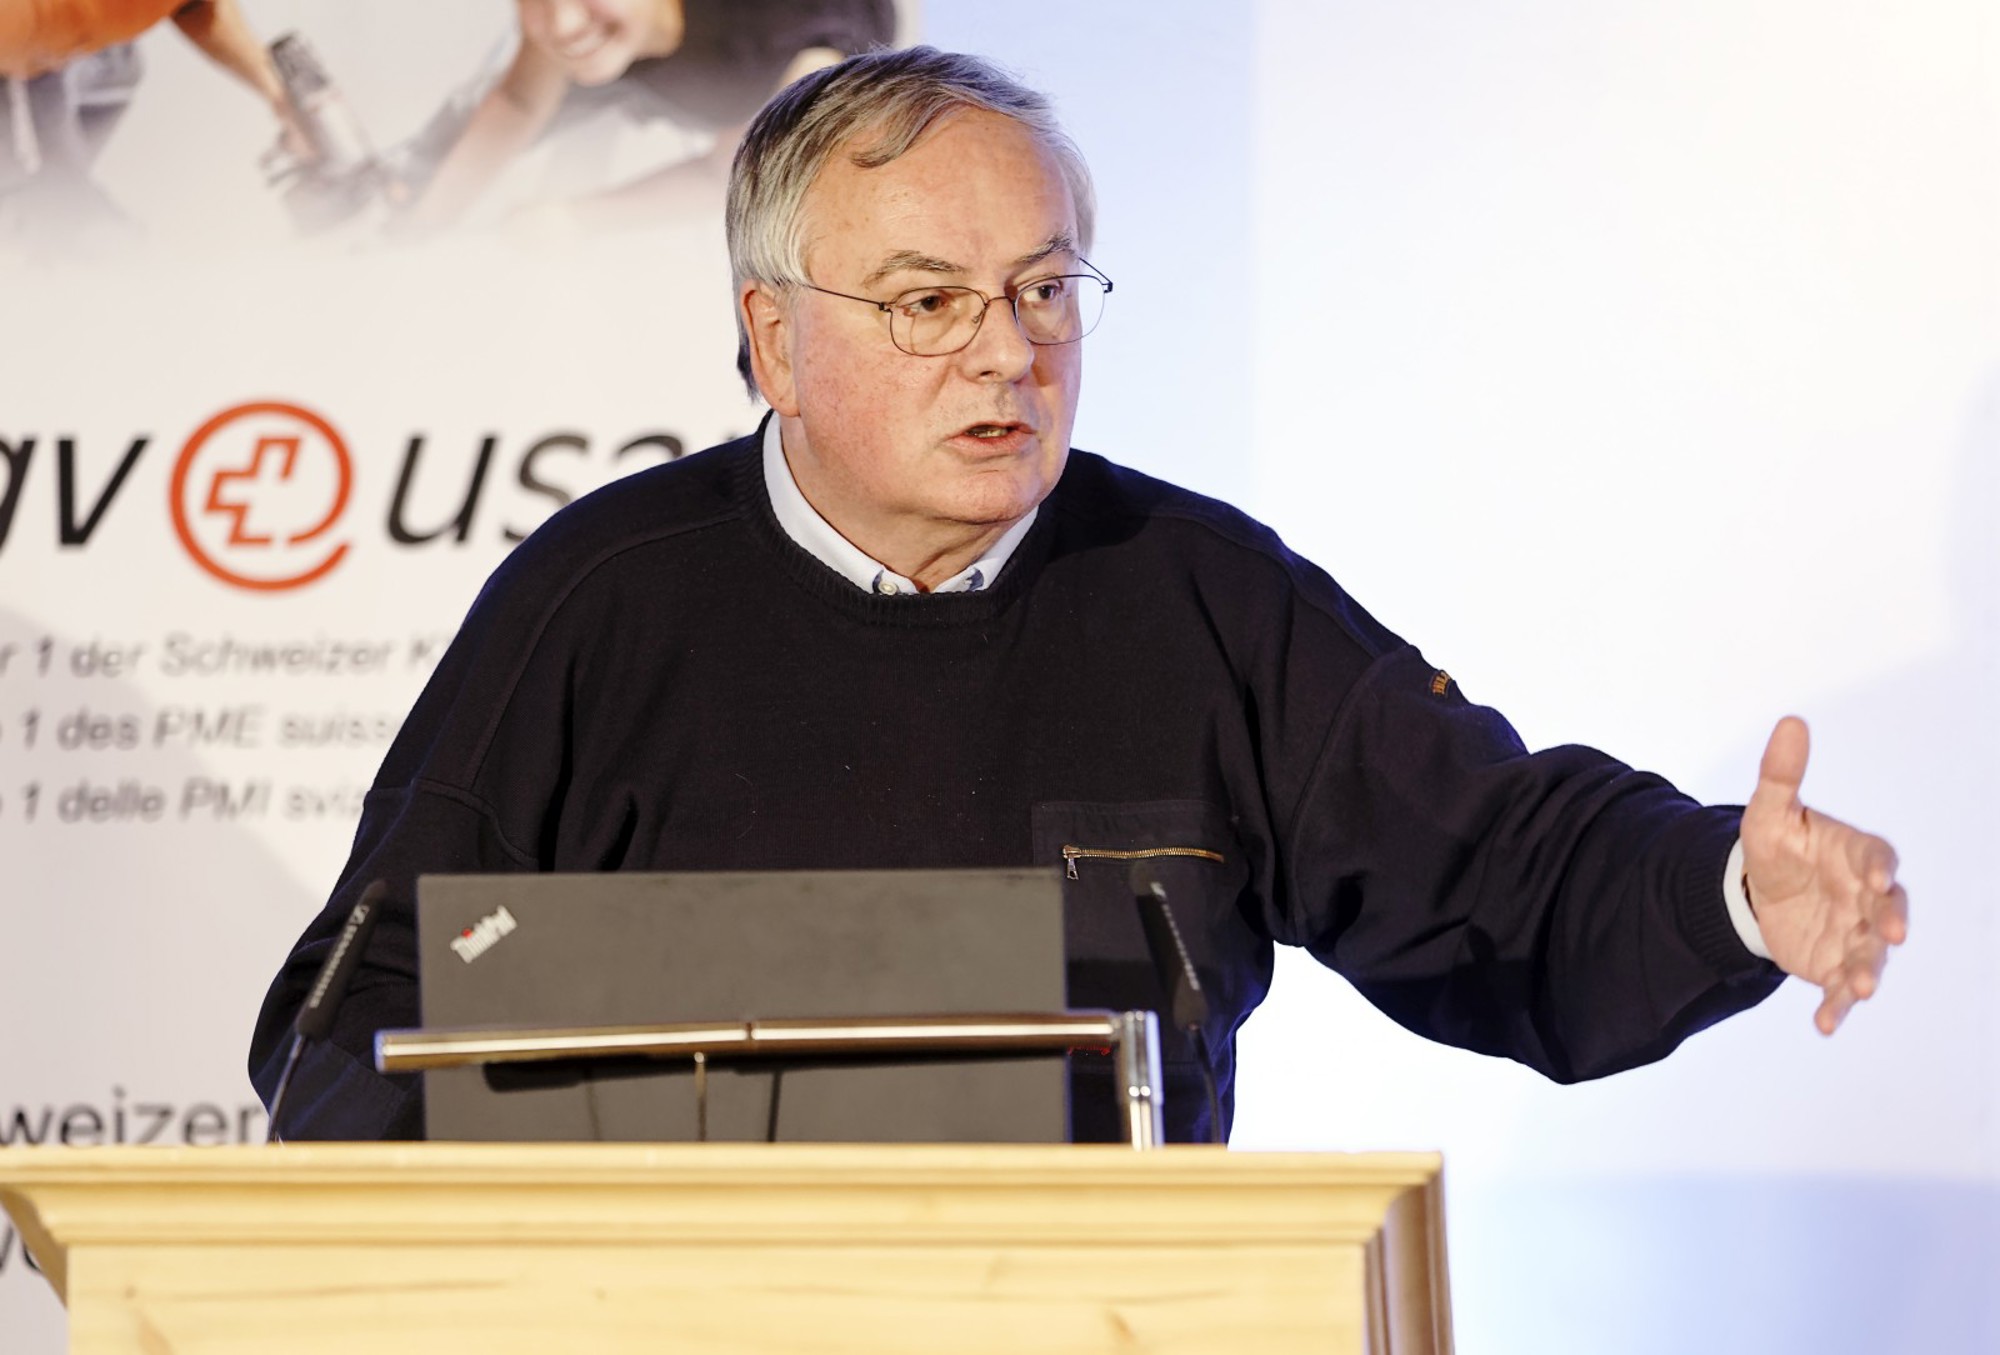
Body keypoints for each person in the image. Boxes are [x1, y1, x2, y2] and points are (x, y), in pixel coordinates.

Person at [249, 46, 1908, 1143]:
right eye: (927, 301)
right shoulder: (597, 602)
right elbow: (360, 1019)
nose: (1008, 350)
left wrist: (1728, 889)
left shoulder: (1195, 598)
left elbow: (1501, 875)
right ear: (775, 340)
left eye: (1045, 289)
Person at [393, 0, 894, 234]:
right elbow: (519, 101)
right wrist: (429, 218)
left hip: (769, 84)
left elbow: (722, 177)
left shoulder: (802, 51)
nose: (561, 23)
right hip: (643, 53)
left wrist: (575, 218)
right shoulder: (576, 24)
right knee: (457, 136)